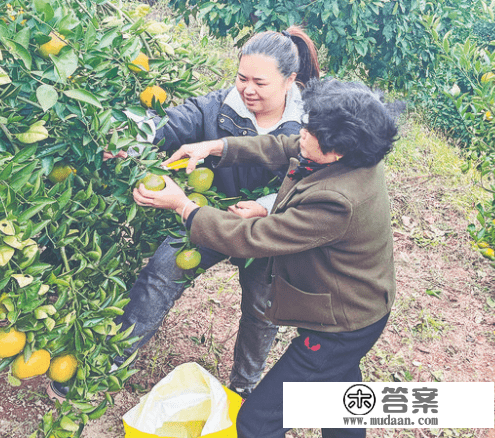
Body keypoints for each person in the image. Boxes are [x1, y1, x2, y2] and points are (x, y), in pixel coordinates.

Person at [48, 27, 321, 401]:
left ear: (290, 80)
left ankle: (243, 389)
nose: (248, 89)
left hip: (270, 231)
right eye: (242, 78)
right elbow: (174, 121)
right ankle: (107, 363)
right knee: (161, 274)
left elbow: (314, 185)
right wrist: (128, 139)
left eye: (260, 82)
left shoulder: (311, 127)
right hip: (209, 215)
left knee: (262, 310)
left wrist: (265, 206)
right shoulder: (219, 108)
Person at [132, 78, 399, 438]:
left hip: (342, 324)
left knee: (257, 423)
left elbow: (255, 238)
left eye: (311, 130)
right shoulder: (353, 154)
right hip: (361, 308)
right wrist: (214, 146)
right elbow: (279, 146)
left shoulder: (338, 200)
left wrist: (185, 207)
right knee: (340, 399)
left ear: (338, 150)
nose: (300, 132)